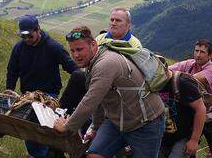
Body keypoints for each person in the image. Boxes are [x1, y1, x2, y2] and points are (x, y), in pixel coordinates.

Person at [53, 25, 165, 158]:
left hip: (145, 123)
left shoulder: (105, 63)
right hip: (116, 122)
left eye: (79, 49)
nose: (75, 55)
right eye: (72, 51)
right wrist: (96, 127)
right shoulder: (93, 62)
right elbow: (99, 98)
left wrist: (67, 127)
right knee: (94, 155)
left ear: (93, 45)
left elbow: (91, 100)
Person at [6, 15, 78, 158]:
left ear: (38, 30)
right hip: (27, 96)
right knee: (28, 129)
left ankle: (49, 154)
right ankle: (41, 155)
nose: (26, 40)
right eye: (23, 37)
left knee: (42, 128)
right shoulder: (19, 48)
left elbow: (73, 68)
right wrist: (9, 89)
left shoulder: (53, 47)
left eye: (30, 36)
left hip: (49, 96)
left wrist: (81, 82)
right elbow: (12, 70)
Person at [169, 39, 212, 158]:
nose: (198, 55)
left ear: (210, 55)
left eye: (202, 52)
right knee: (189, 148)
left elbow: (192, 80)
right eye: (196, 51)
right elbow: (168, 70)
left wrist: (175, 76)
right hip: (195, 112)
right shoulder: (189, 64)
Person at [159, 71, 206, 158]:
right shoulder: (149, 84)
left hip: (184, 136)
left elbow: (201, 109)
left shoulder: (182, 82)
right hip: (163, 135)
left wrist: (194, 140)